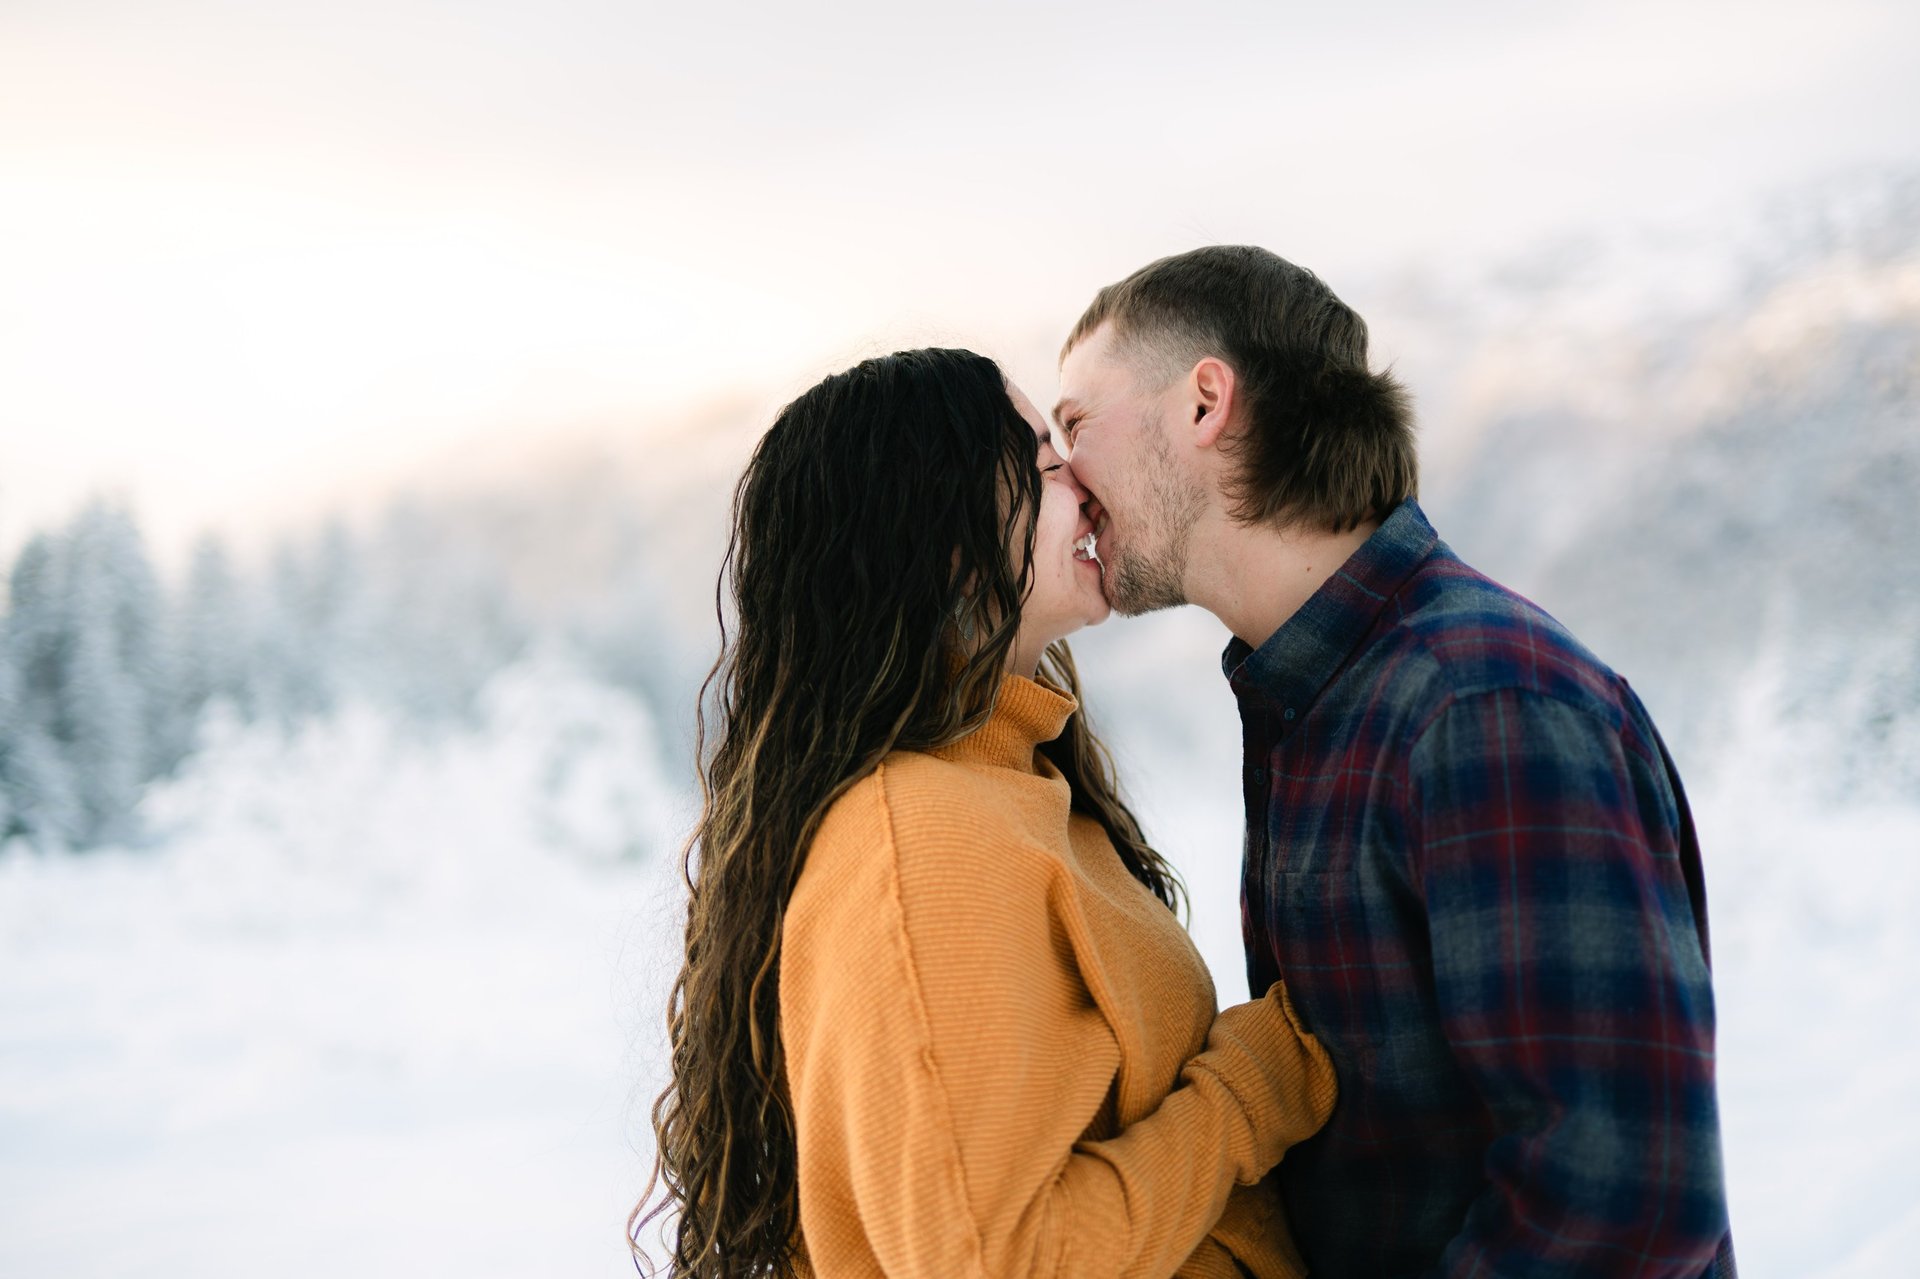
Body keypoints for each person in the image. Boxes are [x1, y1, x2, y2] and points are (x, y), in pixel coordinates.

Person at [1054, 247, 1736, 1278]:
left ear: (1204, 403)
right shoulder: (1320, 701)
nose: (1064, 478)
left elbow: (1621, 1201)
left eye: (1073, 427)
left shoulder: (1483, 704)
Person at [633, 347, 1337, 1278]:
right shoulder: (918, 838)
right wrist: (1249, 1092)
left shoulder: (1014, 787)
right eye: (1046, 466)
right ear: (948, 542)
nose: (1086, 489)